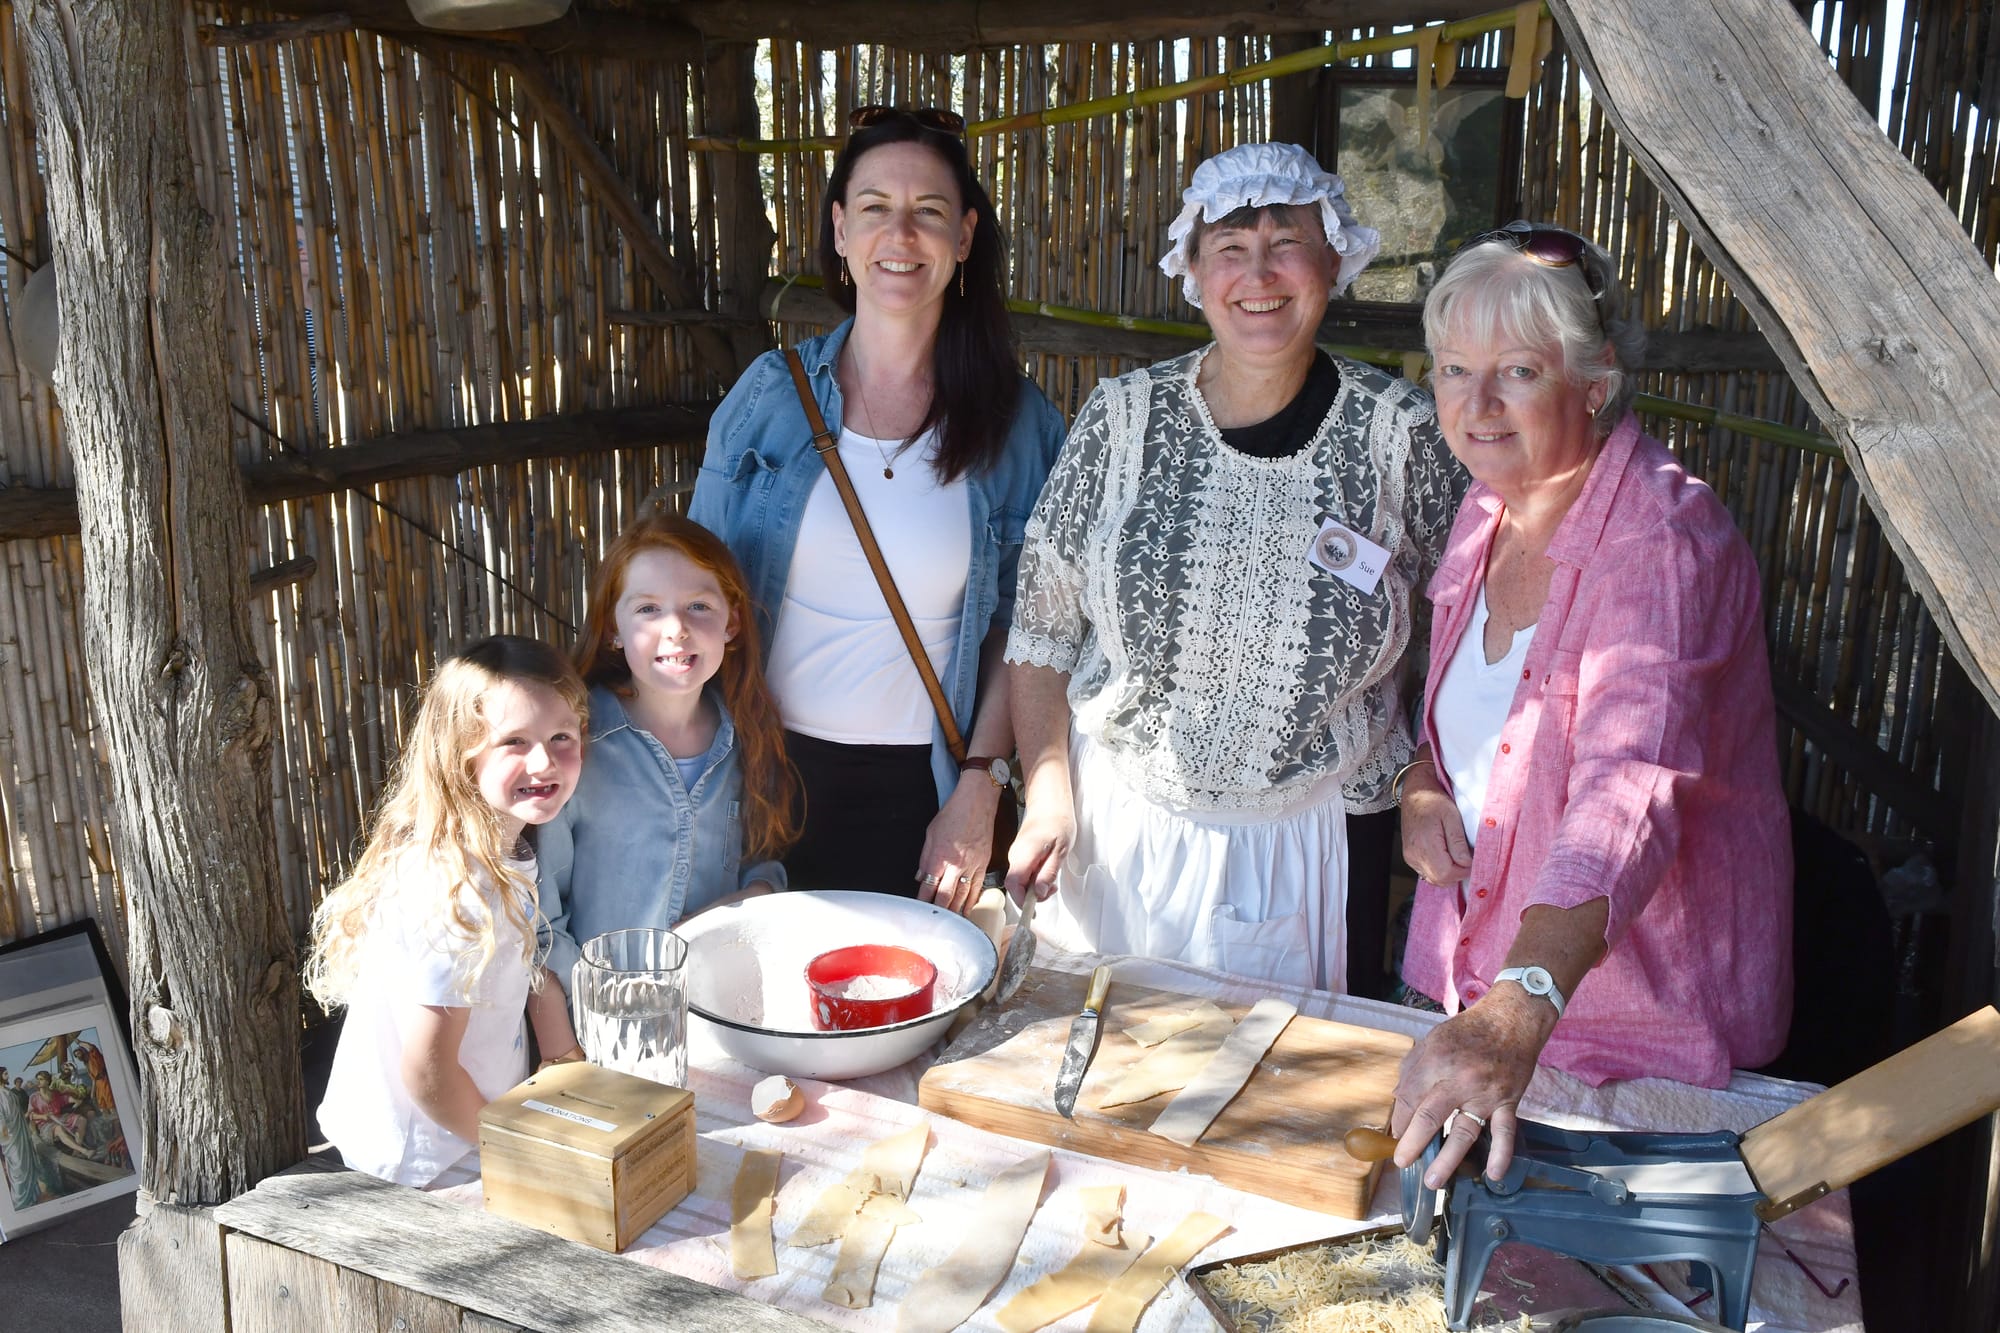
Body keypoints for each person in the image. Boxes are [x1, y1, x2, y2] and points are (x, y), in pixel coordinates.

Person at [1004, 143, 1465, 991]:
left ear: (1334, 258)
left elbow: (1457, 629)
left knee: (1276, 1099)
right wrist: (1047, 790)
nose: (1260, 272)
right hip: (1114, 830)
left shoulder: (1403, 435)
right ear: (1192, 268)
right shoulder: (1122, 421)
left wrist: (1422, 772)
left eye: (1286, 240)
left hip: (1310, 841)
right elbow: (1042, 628)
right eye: (1230, 248)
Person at [1389, 223, 1792, 1187]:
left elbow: (1629, 789)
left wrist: (1520, 999)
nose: (1476, 404)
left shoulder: (1662, 539)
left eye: (1518, 371)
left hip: (1629, 1024)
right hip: (1477, 987)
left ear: (1595, 381)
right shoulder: (1488, 506)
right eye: (1453, 369)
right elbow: (1459, 716)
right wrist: (1418, 783)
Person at [690, 104, 1066, 912]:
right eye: (874, 209)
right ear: (839, 230)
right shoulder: (767, 399)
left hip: (927, 794)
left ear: (964, 238)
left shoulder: (1019, 425)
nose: (901, 235)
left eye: (928, 212)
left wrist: (979, 790)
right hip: (758, 785)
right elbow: (693, 594)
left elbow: (1027, 631)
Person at [307, 636, 588, 1187]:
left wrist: (562, 1049)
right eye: (514, 741)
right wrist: (517, 1151)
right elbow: (428, 1071)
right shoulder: (457, 888)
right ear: (463, 756)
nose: (544, 760)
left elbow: (519, 964)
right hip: (427, 1158)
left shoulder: (501, 848)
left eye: (562, 736)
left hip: (466, 1124)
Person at [536, 507, 796, 987]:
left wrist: (748, 896)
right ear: (612, 626)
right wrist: (599, 1015)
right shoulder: (572, 747)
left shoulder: (749, 737)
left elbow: (764, 868)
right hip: (598, 1025)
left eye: (699, 606)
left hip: (713, 1011)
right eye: (648, 609)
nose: (675, 628)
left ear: (731, 624)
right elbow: (540, 918)